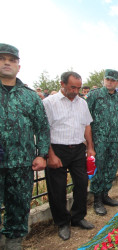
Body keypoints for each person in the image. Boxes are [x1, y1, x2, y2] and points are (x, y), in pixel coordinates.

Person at [0, 43, 50, 249]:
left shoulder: (29, 96)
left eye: (12, 60)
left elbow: (43, 127)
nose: (7, 63)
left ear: (18, 66)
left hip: (22, 164)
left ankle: (13, 242)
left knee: (19, 207)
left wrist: (42, 154)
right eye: (2, 58)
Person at [43, 71, 95, 241]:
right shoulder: (49, 103)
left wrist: (90, 148)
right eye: (72, 87)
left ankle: (77, 217)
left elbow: (87, 126)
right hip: (57, 149)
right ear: (62, 84)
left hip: (78, 149)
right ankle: (63, 222)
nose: (76, 91)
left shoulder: (82, 103)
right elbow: (44, 131)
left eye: (79, 88)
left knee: (81, 183)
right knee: (57, 189)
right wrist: (50, 155)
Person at [86, 69, 118, 216]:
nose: (109, 82)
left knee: (111, 167)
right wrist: (89, 142)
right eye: (107, 79)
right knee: (99, 167)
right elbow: (86, 119)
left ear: (116, 82)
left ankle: (105, 194)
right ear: (104, 80)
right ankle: (97, 200)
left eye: (113, 80)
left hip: (114, 140)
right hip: (99, 140)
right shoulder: (94, 95)